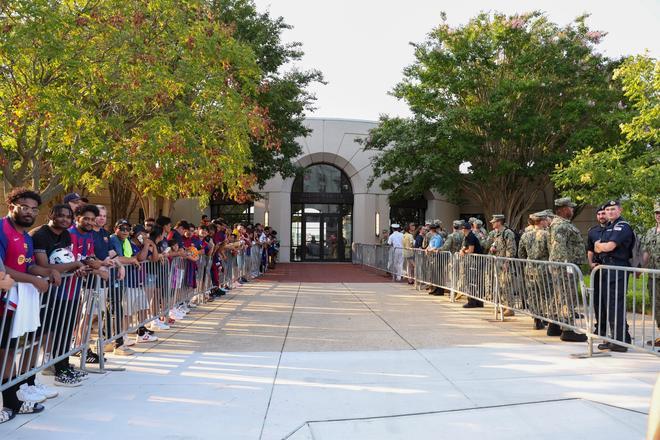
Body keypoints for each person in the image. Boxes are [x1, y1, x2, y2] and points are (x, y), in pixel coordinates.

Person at [1, 188, 61, 420]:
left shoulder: (26, 236)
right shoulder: (1, 230)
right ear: (12, 207)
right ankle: (9, 403)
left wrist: (48, 271)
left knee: (8, 351)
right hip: (4, 300)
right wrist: (34, 280)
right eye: (24, 207)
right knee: (5, 352)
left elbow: (27, 266)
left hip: (13, 305)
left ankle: (11, 401)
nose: (29, 212)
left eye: (34, 209)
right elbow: (4, 270)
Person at [31, 204, 89, 387]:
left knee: (65, 329)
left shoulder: (65, 235)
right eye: (60, 215)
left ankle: (63, 364)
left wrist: (76, 266)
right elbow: (46, 266)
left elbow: (66, 259)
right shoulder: (40, 234)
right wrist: (76, 265)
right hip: (42, 292)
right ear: (51, 215)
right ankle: (55, 370)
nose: (64, 219)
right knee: (48, 331)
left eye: (68, 216)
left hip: (64, 290)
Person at [594, 200, 634, 352]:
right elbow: (597, 247)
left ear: (620, 210)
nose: (609, 212)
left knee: (615, 305)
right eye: (607, 210)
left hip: (617, 268)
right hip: (607, 269)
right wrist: (601, 247)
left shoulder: (622, 226)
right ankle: (618, 337)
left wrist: (601, 247)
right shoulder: (609, 227)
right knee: (608, 305)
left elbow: (608, 246)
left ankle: (619, 341)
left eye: (613, 209)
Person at [548, 197, 588, 342]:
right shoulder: (561, 225)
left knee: (559, 296)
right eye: (570, 208)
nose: (572, 210)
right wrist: (565, 267)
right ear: (563, 209)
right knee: (567, 297)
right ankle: (568, 330)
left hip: (564, 267)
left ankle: (554, 325)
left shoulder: (559, 224)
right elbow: (559, 249)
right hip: (565, 268)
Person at [518, 212, 551, 330]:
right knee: (546, 293)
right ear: (541, 221)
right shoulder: (547, 234)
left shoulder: (525, 235)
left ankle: (536, 319)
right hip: (544, 267)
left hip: (530, 267)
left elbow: (521, 254)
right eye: (546, 220)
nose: (548, 222)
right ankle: (546, 317)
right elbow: (551, 252)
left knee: (533, 294)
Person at [488, 214, 517, 316]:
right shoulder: (497, 234)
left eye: (494, 222)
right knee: (501, 286)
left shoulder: (507, 233)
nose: (492, 223)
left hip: (505, 264)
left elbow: (511, 249)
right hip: (498, 264)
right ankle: (504, 306)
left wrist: (507, 262)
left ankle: (510, 308)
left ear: (499, 222)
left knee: (507, 285)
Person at [587, 205, 609, 337]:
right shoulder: (592, 231)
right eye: (599, 214)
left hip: (611, 269)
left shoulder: (613, 229)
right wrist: (590, 263)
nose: (601, 216)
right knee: (598, 300)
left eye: (603, 213)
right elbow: (590, 249)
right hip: (597, 270)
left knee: (611, 300)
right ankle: (600, 326)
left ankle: (616, 328)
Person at [642, 202, 660, 347]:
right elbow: (647, 252)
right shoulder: (650, 232)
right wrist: (642, 268)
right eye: (656, 212)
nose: (658, 215)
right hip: (653, 276)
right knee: (656, 305)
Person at [459, 221, 484, 308]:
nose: (461, 230)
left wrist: (464, 252)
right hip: (475, 262)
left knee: (471, 281)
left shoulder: (470, 236)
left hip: (475, 262)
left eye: (462, 229)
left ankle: (472, 301)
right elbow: (465, 246)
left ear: (465, 229)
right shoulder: (468, 236)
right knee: (476, 282)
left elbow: (470, 250)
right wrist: (462, 250)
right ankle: (478, 301)